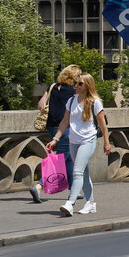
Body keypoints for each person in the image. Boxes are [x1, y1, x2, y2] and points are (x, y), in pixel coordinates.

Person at [45, 73, 111, 216]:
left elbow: (103, 125)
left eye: (80, 84)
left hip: (88, 140)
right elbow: (64, 122)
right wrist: (55, 139)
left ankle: (70, 203)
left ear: (87, 85)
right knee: (83, 172)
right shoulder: (71, 100)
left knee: (77, 172)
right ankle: (91, 203)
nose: (76, 86)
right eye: (76, 83)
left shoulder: (95, 102)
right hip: (73, 141)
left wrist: (107, 143)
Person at [30, 64, 81, 203]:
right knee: (62, 158)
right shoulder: (73, 90)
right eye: (78, 76)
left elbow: (41, 105)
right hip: (65, 127)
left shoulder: (52, 86)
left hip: (51, 126)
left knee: (68, 157)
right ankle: (39, 185)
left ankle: (73, 189)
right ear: (74, 77)